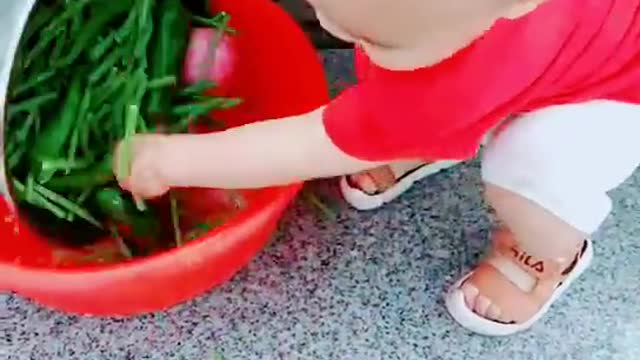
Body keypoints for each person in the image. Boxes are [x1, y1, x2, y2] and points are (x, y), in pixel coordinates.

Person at [115, 0, 640, 336]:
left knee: (529, 173)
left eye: (374, 39)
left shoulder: (451, 75)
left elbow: (310, 145)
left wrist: (170, 160)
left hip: (615, 90)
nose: (331, 26)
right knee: (414, 92)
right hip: (552, 51)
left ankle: (546, 256)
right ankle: (418, 134)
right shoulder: (452, 17)